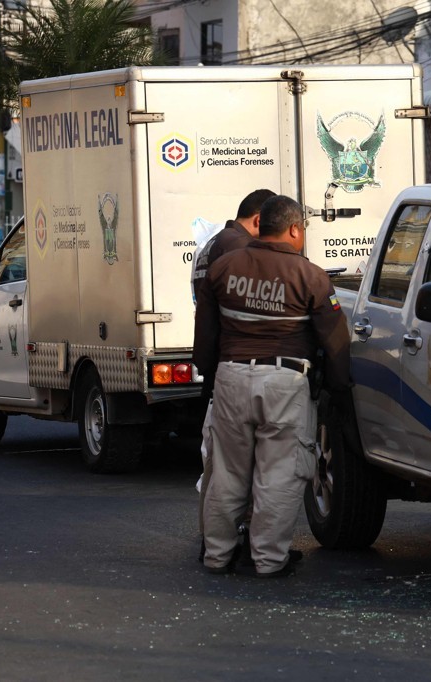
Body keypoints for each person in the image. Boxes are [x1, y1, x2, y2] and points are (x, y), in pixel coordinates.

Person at [194, 194, 351, 577]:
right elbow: (335, 342)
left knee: (227, 473)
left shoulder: (223, 268)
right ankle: (268, 560)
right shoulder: (310, 276)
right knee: (279, 474)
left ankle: (217, 555)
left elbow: (205, 337)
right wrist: (338, 389)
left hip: (230, 377)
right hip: (285, 381)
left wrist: (211, 378)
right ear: (294, 229)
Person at [191, 188, 276, 564]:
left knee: (220, 465)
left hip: (221, 368)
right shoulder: (235, 249)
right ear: (259, 220)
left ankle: (217, 542)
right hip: (235, 367)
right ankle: (226, 542)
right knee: (232, 470)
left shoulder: (215, 243)